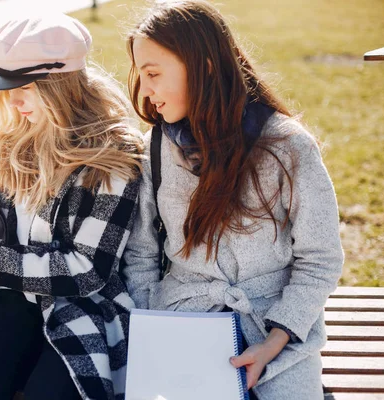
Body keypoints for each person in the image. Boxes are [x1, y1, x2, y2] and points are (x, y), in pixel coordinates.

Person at [121, 1, 344, 399]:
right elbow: (141, 252)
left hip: (277, 334)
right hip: (182, 323)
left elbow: (321, 257)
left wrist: (276, 341)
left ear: (204, 65)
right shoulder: (156, 145)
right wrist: (151, 330)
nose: (146, 90)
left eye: (153, 73)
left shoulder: (288, 146)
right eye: (141, 74)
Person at [0, 13, 143, 400]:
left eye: (24, 87)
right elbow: (24, 225)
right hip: (16, 297)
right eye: (7, 88)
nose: (13, 100)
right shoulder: (23, 135)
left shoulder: (115, 155)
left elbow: (86, 270)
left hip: (85, 309)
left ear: (60, 86)